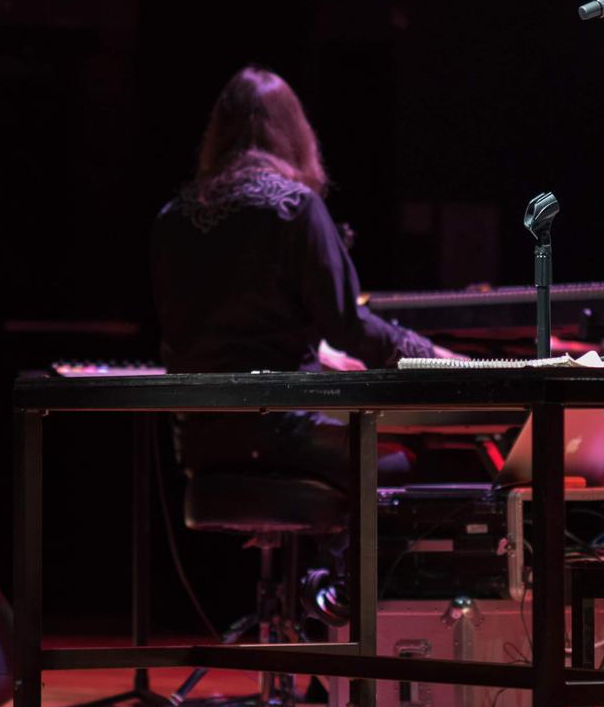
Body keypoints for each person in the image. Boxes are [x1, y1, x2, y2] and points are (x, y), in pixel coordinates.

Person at [152, 66, 459, 486]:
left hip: (198, 446)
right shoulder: (294, 207)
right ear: (294, 133)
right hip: (281, 434)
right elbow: (349, 326)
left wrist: (312, 351)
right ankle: (340, 551)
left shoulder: (174, 218)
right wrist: (436, 358)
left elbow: (197, 332)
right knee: (407, 462)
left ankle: (305, 535)